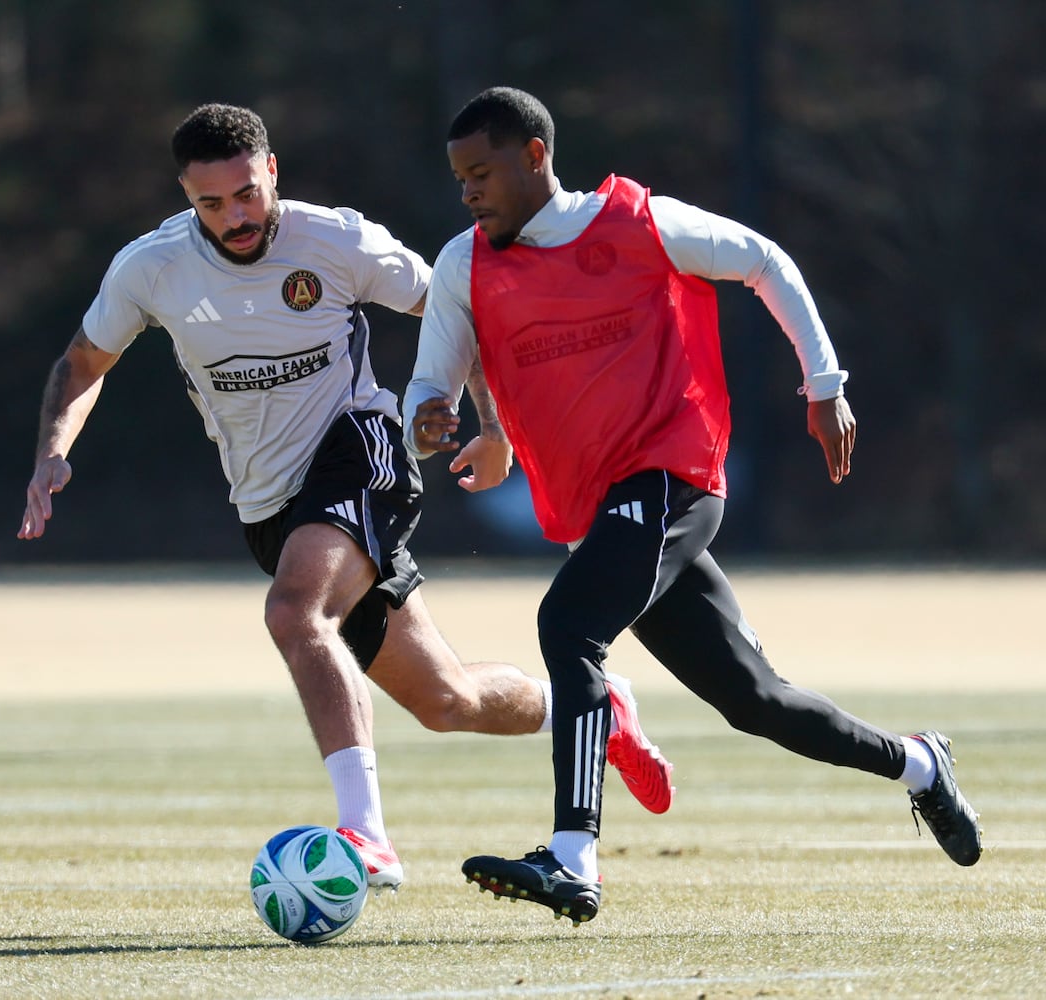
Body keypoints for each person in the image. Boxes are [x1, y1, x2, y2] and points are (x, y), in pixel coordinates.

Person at [16, 103, 675, 892]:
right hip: (268, 504)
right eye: (210, 204)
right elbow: (85, 360)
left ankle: (366, 838)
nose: (234, 218)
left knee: (295, 612)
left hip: (359, 450)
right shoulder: (149, 268)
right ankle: (597, 708)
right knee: (447, 699)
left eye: (246, 195)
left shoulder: (335, 241)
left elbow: (463, 309)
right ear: (186, 198)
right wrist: (53, 452)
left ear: (272, 175)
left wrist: (495, 423)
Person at [404, 87, 983, 924]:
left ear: (535, 156)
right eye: (459, 178)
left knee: (569, 627)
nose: (467, 193)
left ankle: (573, 856)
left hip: (672, 476)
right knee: (756, 701)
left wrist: (824, 385)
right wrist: (433, 416)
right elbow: (435, 378)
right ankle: (921, 765)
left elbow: (763, 259)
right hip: (601, 510)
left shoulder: (639, 222)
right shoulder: (464, 263)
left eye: (481, 173)